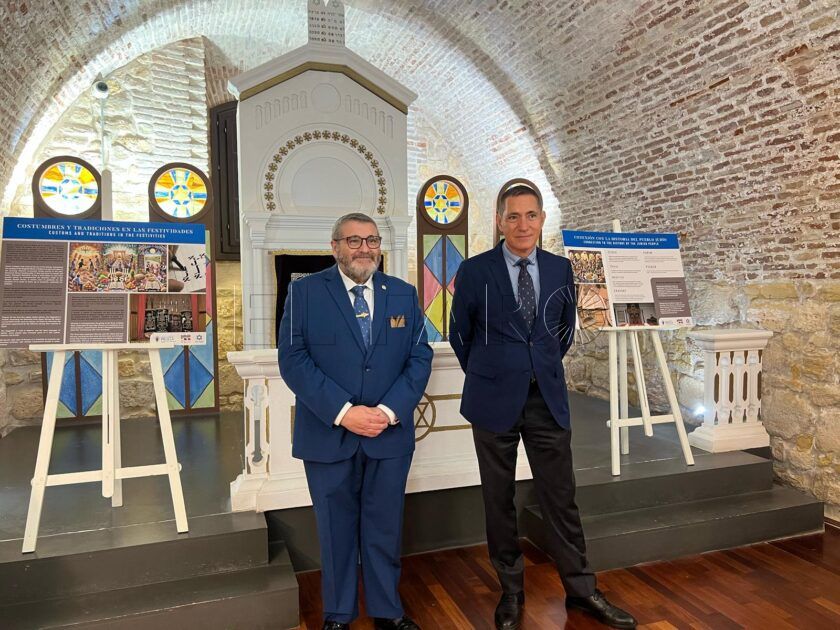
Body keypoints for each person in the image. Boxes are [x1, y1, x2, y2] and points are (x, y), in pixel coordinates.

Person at [449, 185, 637, 630]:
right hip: (492, 400)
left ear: (542, 220)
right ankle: (511, 592)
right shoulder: (475, 270)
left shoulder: (560, 268)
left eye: (531, 215)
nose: (523, 225)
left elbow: (562, 331)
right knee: (499, 500)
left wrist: (536, 366)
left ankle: (582, 589)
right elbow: (460, 334)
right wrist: (496, 372)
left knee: (561, 497)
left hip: (546, 399)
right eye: (513, 216)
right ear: (500, 221)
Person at [278, 212, 433, 630]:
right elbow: (292, 359)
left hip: (388, 433)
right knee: (335, 530)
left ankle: (388, 612)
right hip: (328, 435)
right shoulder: (305, 293)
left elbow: (420, 356)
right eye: (354, 241)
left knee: (385, 528)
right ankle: (338, 614)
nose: (365, 248)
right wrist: (345, 413)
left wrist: (387, 411)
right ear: (335, 247)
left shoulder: (402, 294)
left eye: (372, 240)